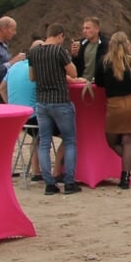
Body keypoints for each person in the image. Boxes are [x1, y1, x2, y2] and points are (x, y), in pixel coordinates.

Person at [28, 23, 82, 195]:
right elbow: (73, 73)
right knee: (69, 140)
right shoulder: (59, 51)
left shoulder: (34, 52)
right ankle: (69, 182)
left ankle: (49, 184)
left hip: (42, 102)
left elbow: (32, 77)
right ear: (60, 36)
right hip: (60, 100)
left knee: (44, 143)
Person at [96, 31, 131, 189]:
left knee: (112, 141)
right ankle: (126, 177)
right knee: (128, 141)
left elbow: (99, 83)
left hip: (115, 104)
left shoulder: (104, 62)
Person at [2, 40, 61, 181]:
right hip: (33, 117)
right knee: (69, 134)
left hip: (18, 118)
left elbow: (1, 88)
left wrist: (12, 106)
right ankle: (57, 172)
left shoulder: (14, 67)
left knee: (37, 135)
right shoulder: (37, 69)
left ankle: (36, 171)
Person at [71, 17, 108, 83]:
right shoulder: (82, 43)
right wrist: (74, 56)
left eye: (87, 28)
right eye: (84, 28)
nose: (84, 31)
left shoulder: (105, 45)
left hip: (97, 84)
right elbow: (76, 67)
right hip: (82, 82)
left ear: (97, 29)